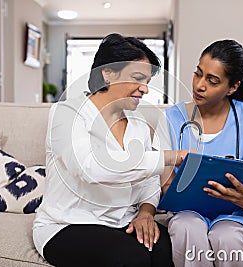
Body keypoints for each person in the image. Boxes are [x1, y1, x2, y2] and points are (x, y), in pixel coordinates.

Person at [33, 33, 188, 267]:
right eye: (137, 78)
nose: (145, 89)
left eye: (147, 81)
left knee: (168, 249)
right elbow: (90, 169)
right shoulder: (66, 113)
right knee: (131, 258)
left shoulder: (137, 124)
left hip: (121, 222)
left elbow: (148, 182)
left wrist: (146, 212)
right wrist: (169, 157)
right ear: (107, 73)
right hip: (67, 225)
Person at [153, 39, 243, 267]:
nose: (199, 85)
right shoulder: (170, 119)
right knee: (185, 227)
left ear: (233, 87)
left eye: (212, 81)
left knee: (226, 235)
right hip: (189, 213)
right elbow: (166, 186)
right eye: (198, 73)